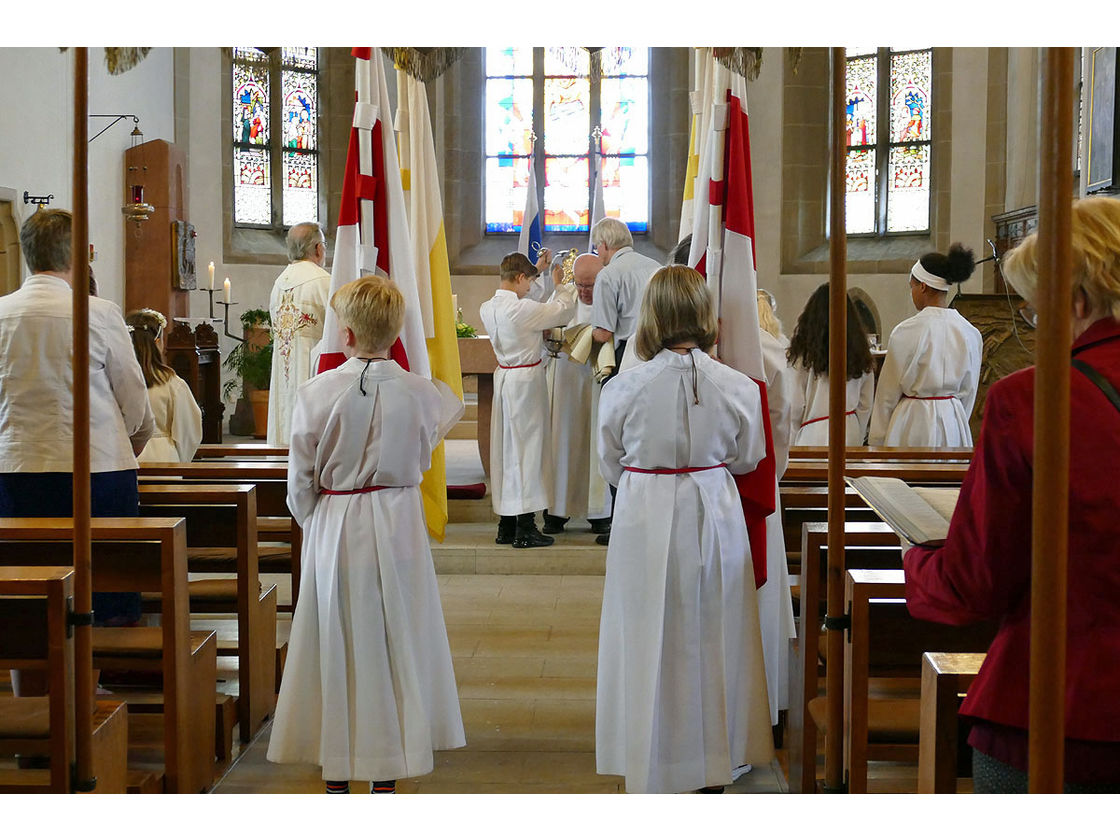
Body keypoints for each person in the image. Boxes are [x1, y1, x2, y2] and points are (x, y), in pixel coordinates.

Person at [903, 196, 1120, 793]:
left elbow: (974, 584)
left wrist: (917, 564)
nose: (1032, 319)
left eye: (1034, 306)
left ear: (1076, 300)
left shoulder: (1033, 400)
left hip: (1062, 703)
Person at [267, 275, 466, 793]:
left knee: (338, 640)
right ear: (396, 333)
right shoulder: (424, 393)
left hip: (337, 521)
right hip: (398, 520)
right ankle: (386, 773)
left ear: (347, 333)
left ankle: (337, 772)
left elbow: (299, 484)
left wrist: (322, 523)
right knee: (396, 638)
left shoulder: (317, 392)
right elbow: (423, 455)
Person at [595, 265, 774, 793]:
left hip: (644, 512)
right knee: (712, 631)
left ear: (652, 317)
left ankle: (649, 750)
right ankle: (713, 758)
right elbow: (749, 457)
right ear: (703, 315)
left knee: (647, 628)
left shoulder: (625, 386)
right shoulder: (737, 384)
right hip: (714, 510)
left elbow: (609, 463)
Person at [0, 209, 154, 627]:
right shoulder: (99, 313)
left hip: (16, 469)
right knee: (102, 591)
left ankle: (33, 687)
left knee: (27, 597)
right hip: (97, 469)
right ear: (77, 257)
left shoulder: (2, 313)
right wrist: (133, 442)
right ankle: (95, 685)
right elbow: (134, 397)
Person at [480, 252, 577, 548]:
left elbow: (530, 303)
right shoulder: (520, 311)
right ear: (520, 278)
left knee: (508, 451)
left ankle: (505, 525)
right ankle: (525, 528)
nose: (531, 285)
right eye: (530, 280)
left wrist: (539, 270)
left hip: (506, 377)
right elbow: (561, 311)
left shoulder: (488, 307)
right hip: (526, 383)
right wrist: (562, 285)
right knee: (528, 452)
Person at [868, 244, 983, 447]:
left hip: (912, 423)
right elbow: (969, 390)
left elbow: (887, 395)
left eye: (912, 286)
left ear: (922, 286)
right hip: (954, 424)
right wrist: (953, 414)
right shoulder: (970, 332)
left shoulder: (906, 331)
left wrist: (877, 440)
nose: (911, 293)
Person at [542, 252, 612, 537]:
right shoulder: (564, 297)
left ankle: (599, 512)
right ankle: (557, 511)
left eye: (590, 286)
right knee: (563, 442)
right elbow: (544, 330)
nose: (584, 292)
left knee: (598, 442)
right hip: (565, 383)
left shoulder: (611, 296)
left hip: (598, 382)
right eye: (581, 285)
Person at [755, 288, 799, 733]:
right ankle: (765, 700)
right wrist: (772, 471)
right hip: (761, 481)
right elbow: (784, 420)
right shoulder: (771, 352)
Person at [266, 221, 331, 446]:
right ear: (317, 249)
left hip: (283, 372)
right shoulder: (324, 282)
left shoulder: (278, 284)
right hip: (315, 371)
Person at [787, 283, 875, 446]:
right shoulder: (859, 352)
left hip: (812, 436)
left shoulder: (803, 355)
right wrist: (858, 431)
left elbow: (796, 405)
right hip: (849, 431)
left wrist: (791, 442)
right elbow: (865, 403)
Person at [126, 308, 203, 463]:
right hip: (163, 459)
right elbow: (189, 432)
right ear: (158, 342)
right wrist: (180, 459)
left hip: (123, 457)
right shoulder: (172, 384)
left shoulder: (116, 379)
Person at [589, 217, 661, 376]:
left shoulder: (608, 275)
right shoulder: (658, 267)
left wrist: (579, 335)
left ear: (604, 245)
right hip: (660, 354)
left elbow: (603, 333)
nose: (597, 253)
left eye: (596, 248)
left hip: (627, 357)